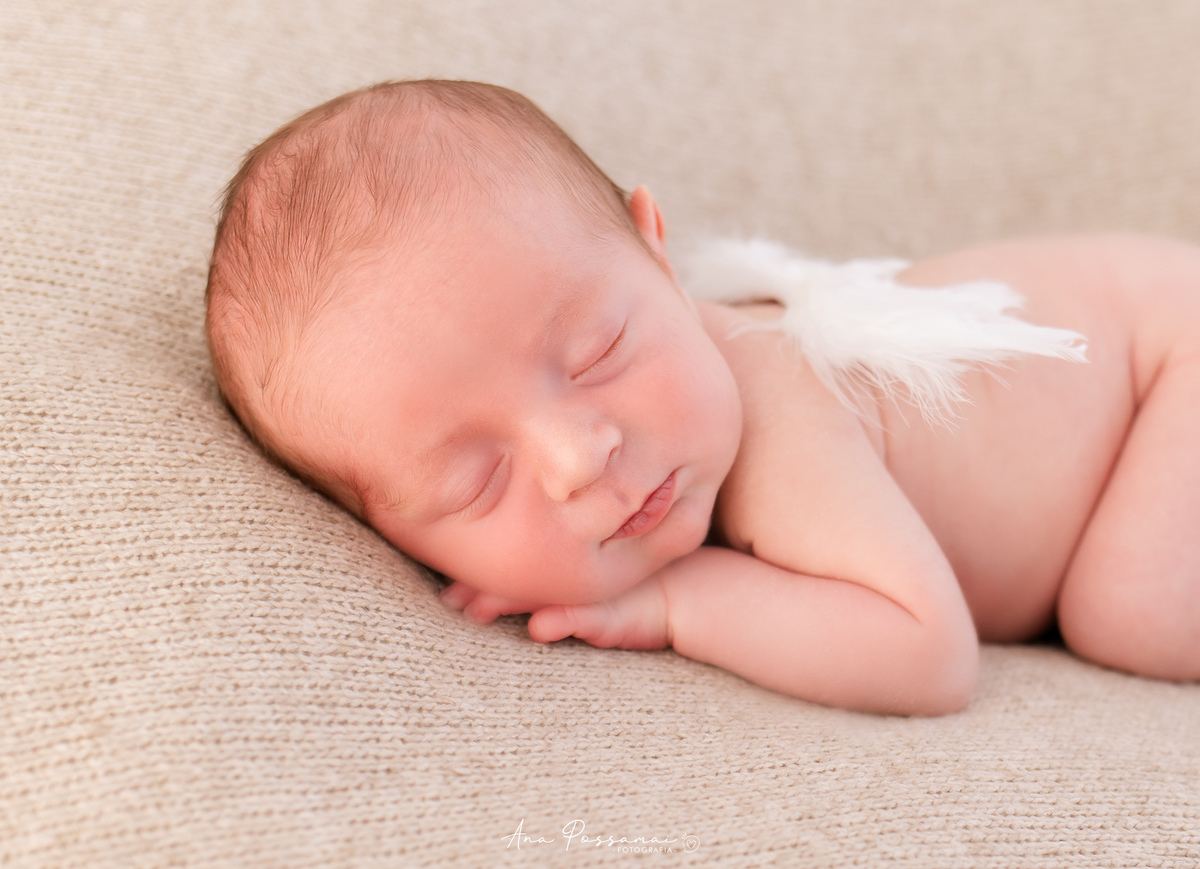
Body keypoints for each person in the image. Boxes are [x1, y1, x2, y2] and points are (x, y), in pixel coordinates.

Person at [205, 80, 1200, 716]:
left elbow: (927, 650)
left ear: (660, 256)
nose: (579, 453)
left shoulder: (772, 402)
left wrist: (678, 598)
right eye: (477, 480)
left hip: (1167, 358)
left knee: (1134, 610)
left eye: (598, 352)